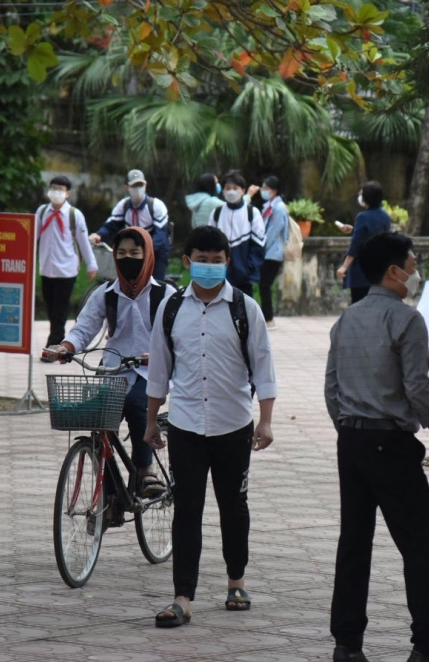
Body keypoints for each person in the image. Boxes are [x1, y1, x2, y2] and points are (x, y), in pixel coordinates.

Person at [325, 232, 429, 662]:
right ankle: (426, 645)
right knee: (416, 546)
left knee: (354, 543)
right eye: (412, 264)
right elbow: (418, 388)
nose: (416, 272)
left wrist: (348, 430)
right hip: (390, 444)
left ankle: (347, 643)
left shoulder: (347, 319)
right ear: (393, 272)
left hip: (352, 441)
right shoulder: (407, 320)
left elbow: (331, 387)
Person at [144, 226, 277, 628]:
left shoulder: (245, 308)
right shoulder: (171, 309)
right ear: (187, 262)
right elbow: (159, 370)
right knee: (187, 510)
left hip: (234, 425)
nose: (209, 267)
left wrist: (266, 420)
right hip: (185, 425)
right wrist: (151, 421)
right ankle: (182, 597)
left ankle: (236, 581)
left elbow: (264, 366)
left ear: (227, 263)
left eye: (217, 261)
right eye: (201, 260)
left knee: (233, 507)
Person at [42, 227, 170, 494]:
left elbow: (178, 334)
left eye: (135, 253)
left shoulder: (165, 295)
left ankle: (146, 470)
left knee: (137, 404)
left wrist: (162, 354)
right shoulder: (106, 293)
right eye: (121, 253)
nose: (128, 258)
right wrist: (66, 347)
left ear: (147, 255)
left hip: (150, 371)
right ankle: (111, 496)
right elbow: (84, 327)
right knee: (100, 423)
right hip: (113, 368)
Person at [36, 176, 99, 356]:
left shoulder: (74, 215)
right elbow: (32, 237)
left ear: (68, 193)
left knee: (60, 309)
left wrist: (91, 264)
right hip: (47, 268)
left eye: (60, 189)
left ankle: (53, 344)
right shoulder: (42, 212)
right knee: (50, 307)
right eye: (53, 188)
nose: (56, 192)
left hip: (67, 270)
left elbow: (83, 242)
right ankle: (56, 337)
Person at [92, 169, 171, 282]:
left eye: (140, 185)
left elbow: (160, 235)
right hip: (133, 249)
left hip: (156, 251)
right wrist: (98, 236)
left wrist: (146, 250)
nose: (137, 189)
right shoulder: (123, 206)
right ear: (127, 188)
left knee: (155, 285)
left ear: (145, 185)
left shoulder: (156, 206)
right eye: (134, 186)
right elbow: (111, 226)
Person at [209, 170, 266, 294]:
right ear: (223, 191)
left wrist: (249, 270)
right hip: (220, 274)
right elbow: (209, 243)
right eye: (228, 188)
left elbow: (259, 245)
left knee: (243, 309)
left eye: (235, 188)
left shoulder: (252, 213)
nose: (231, 191)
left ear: (243, 191)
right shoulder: (216, 213)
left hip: (243, 276)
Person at [337, 181, 392, 304]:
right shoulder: (385, 216)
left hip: (362, 270)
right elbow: (376, 235)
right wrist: (354, 230)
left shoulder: (363, 217)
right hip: (379, 268)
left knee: (359, 304)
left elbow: (356, 244)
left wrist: (345, 266)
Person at [255, 175, 290, 329]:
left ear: (274, 191)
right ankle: (267, 317)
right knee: (264, 285)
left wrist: (261, 247)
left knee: (265, 285)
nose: (263, 191)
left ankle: (268, 319)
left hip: (272, 252)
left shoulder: (279, 208)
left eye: (266, 188)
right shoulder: (269, 206)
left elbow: (274, 231)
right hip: (269, 252)